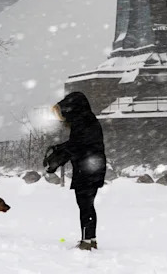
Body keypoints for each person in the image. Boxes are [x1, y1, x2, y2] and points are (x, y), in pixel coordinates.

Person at [43, 91, 107, 251]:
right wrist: (60, 152)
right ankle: (90, 239)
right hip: (92, 167)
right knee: (87, 204)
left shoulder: (83, 121)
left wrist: (58, 155)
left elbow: (76, 145)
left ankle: (87, 241)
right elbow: (77, 144)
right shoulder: (88, 120)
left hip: (87, 169)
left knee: (85, 204)